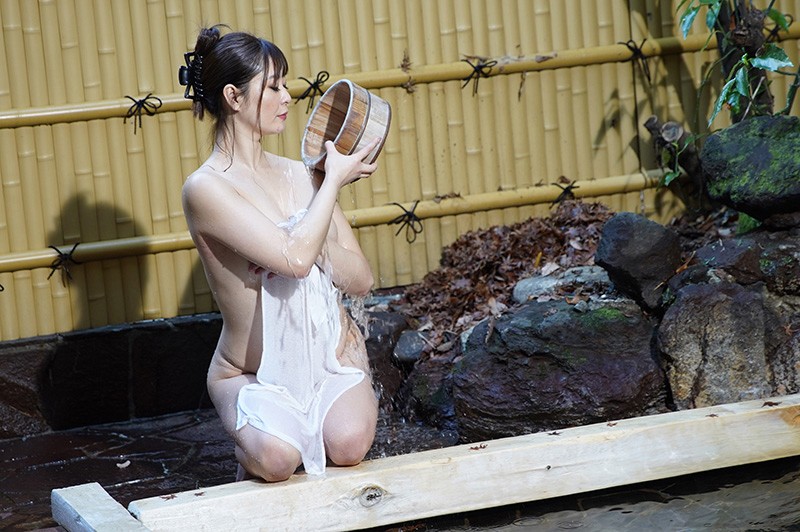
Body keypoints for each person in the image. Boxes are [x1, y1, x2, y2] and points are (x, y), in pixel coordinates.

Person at [178, 26, 379, 482]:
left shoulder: (301, 175)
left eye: (285, 84)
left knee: (348, 445)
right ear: (233, 97)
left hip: (328, 360)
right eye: (273, 87)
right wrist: (332, 183)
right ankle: (252, 445)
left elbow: (361, 280)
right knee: (277, 459)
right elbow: (294, 261)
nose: (287, 97)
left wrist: (317, 212)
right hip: (250, 374)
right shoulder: (206, 188)